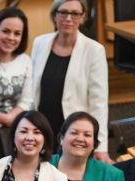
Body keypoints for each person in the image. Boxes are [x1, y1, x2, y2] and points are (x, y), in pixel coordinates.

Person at [30, 0, 109, 159]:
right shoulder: (40, 42)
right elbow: (31, 87)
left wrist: (101, 145)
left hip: (73, 130)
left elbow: (98, 102)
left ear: (83, 17)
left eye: (74, 13)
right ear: (54, 15)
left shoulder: (94, 50)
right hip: (42, 125)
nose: (68, 18)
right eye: (63, 12)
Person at [0, 7, 32, 136]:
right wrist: (3, 120)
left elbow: (26, 102)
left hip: (15, 129)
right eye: (6, 31)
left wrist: (8, 120)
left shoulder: (25, 60)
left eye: (17, 33)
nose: (11, 37)